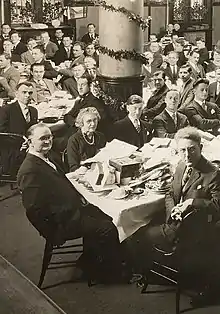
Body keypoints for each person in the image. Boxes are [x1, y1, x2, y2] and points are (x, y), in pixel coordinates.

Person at [17, 123, 125, 282]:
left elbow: (57, 182)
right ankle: (110, 273)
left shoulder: (47, 156)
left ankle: (90, 260)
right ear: (30, 141)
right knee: (107, 228)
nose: (48, 141)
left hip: (71, 209)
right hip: (62, 221)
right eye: (42, 139)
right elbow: (33, 210)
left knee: (108, 214)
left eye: (49, 137)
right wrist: (53, 233)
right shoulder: (29, 170)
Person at [125, 126, 220, 299]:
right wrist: (172, 212)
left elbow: (218, 205)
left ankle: (154, 276)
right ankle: (160, 272)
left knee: (134, 234)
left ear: (201, 148)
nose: (187, 155)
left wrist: (192, 203)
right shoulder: (181, 166)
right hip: (175, 221)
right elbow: (170, 193)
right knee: (144, 223)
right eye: (182, 150)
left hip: (192, 231)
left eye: (192, 150)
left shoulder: (212, 173)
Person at [67, 107, 106, 172]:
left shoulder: (100, 136)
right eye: (89, 121)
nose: (93, 124)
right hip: (81, 174)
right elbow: (73, 167)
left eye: (95, 120)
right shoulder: (73, 140)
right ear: (82, 123)